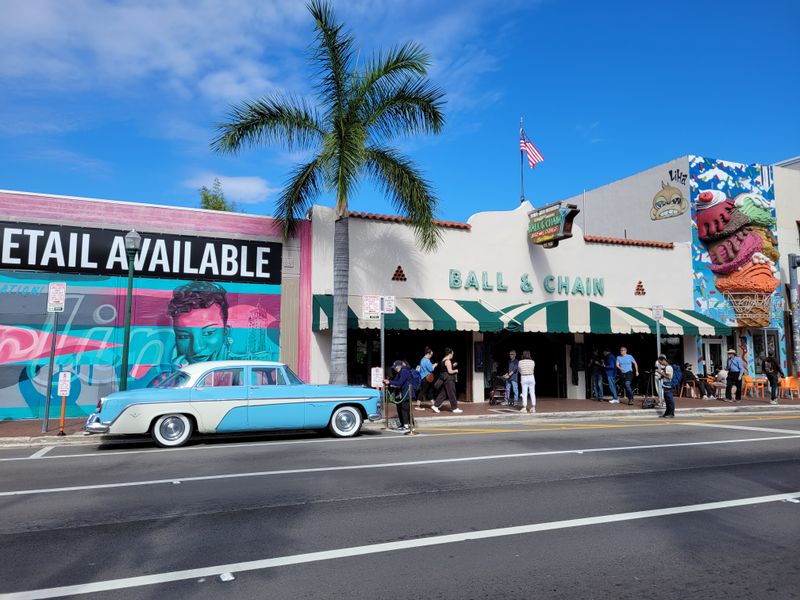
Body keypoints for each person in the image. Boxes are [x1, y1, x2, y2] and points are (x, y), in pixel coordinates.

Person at [167, 281, 233, 364]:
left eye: (208, 333)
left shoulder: (245, 370)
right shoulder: (165, 375)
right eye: (183, 336)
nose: (196, 348)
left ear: (225, 332)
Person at [384, 359, 413, 431]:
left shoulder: (404, 371)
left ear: (400, 366)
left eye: (396, 367)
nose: (395, 369)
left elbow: (400, 382)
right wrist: (389, 381)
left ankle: (406, 426)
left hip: (407, 392)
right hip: (402, 393)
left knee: (404, 409)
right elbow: (395, 381)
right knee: (400, 408)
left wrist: (389, 382)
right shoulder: (400, 372)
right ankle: (404, 424)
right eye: (394, 368)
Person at [432, 348, 462, 413]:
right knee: (452, 393)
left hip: (445, 379)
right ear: (450, 354)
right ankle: (455, 408)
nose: (452, 355)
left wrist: (452, 365)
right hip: (449, 379)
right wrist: (456, 370)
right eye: (452, 354)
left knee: (444, 393)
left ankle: (435, 406)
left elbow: (445, 369)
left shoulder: (443, 359)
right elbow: (450, 371)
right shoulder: (448, 361)